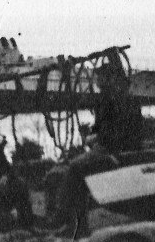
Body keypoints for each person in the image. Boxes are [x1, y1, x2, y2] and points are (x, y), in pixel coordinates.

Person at [53, 61, 145, 230]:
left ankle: (63, 217)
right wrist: (92, 134)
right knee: (74, 169)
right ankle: (74, 224)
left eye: (100, 77)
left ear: (110, 79)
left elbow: (121, 133)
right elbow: (103, 127)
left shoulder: (120, 100)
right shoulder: (106, 99)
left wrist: (97, 138)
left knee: (75, 168)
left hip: (117, 153)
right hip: (108, 149)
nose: (96, 81)